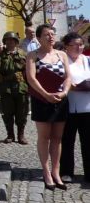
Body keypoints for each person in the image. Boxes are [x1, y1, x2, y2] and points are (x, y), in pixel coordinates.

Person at [26, 24, 72, 190]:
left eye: (53, 34)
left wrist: (65, 92)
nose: (51, 37)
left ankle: (56, 171)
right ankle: (46, 172)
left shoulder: (62, 54)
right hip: (42, 100)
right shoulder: (33, 55)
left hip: (60, 100)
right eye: (46, 34)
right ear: (38, 38)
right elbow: (31, 78)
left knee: (58, 138)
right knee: (44, 137)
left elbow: (68, 76)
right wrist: (46, 94)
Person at [59, 32, 90, 183]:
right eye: (75, 44)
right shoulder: (62, 60)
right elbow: (58, 79)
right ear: (66, 46)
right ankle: (66, 172)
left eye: (81, 44)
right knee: (67, 141)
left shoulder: (88, 60)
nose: (79, 47)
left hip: (88, 108)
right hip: (68, 108)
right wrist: (73, 87)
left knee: (88, 142)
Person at [0, 31, 29, 144]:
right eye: (7, 40)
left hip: (20, 87)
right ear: (4, 42)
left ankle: (21, 135)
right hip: (6, 87)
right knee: (7, 112)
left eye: (12, 40)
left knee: (22, 112)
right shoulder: (0, 54)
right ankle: (10, 135)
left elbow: (29, 69)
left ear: (16, 42)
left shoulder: (23, 54)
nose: (10, 42)